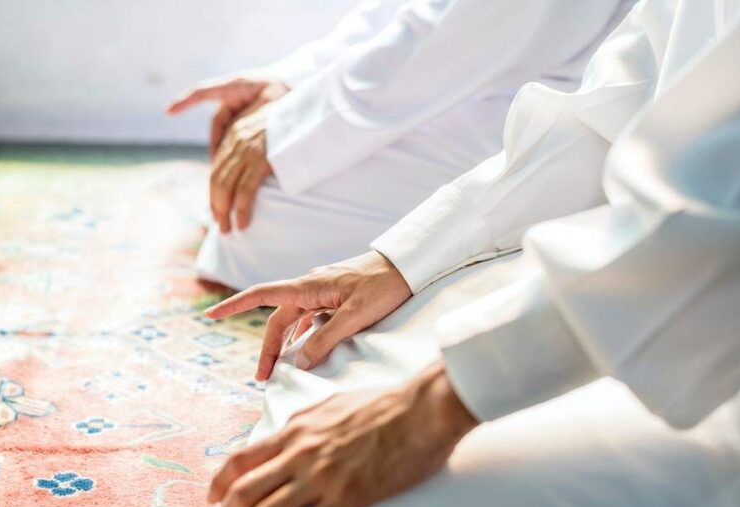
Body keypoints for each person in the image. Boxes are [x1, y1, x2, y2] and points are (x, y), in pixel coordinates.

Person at [203, 0, 740, 507]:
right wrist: (396, 263)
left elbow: (732, 221)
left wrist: (434, 405)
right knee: (327, 355)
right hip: (670, 278)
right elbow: (615, 107)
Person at [167, 0, 632, 290]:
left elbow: (465, 36)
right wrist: (291, 82)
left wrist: (289, 126)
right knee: (255, 176)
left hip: (576, 109)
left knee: (265, 209)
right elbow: (414, 12)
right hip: (488, 76)